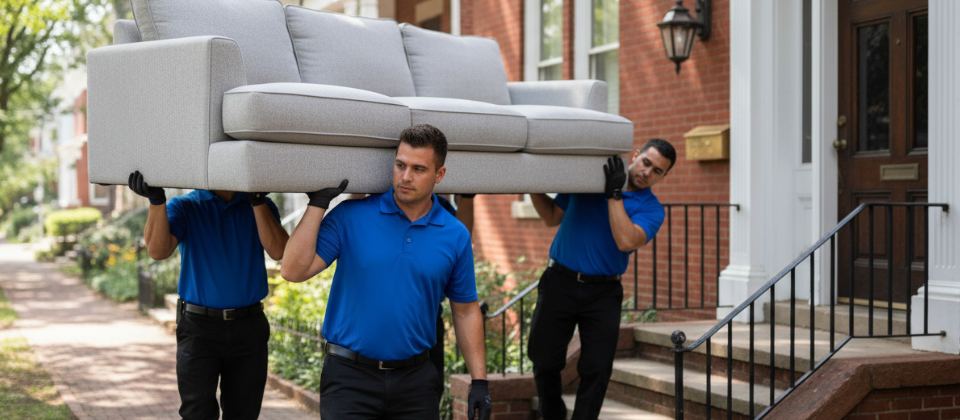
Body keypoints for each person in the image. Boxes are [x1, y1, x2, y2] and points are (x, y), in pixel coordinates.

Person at [281, 124, 492, 420]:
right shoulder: (350, 216)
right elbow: (292, 270)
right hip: (348, 379)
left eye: (419, 169)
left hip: (416, 382)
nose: (405, 177)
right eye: (400, 165)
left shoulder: (455, 234)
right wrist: (318, 204)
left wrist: (479, 382)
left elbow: (466, 309)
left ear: (439, 175)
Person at [527, 138, 676, 420]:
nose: (647, 172)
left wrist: (613, 194)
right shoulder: (588, 181)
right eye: (646, 162)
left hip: (604, 293)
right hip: (560, 282)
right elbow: (551, 217)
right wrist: (529, 183)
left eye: (657, 171)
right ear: (636, 155)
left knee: (597, 369)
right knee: (544, 360)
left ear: (663, 176)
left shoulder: (652, 210)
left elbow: (625, 240)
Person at [128, 171, 289, 420]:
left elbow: (279, 251)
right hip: (198, 329)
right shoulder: (185, 206)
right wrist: (156, 200)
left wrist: (256, 200)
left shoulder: (262, 205)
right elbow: (158, 251)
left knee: (244, 413)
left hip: (249, 327)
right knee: (197, 412)